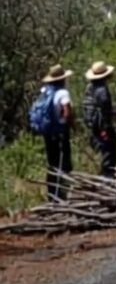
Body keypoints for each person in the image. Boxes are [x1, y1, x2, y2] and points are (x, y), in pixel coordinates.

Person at [37, 64, 75, 200]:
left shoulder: (45, 91)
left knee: (52, 162)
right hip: (60, 133)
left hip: (48, 133)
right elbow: (67, 112)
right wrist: (69, 125)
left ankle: (52, 194)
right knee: (64, 163)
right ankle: (62, 193)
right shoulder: (63, 93)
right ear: (62, 79)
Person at [83, 61, 116, 178]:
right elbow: (104, 111)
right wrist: (105, 128)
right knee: (109, 149)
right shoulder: (102, 90)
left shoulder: (90, 87)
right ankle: (108, 175)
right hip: (102, 125)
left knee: (104, 148)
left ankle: (105, 173)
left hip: (94, 124)